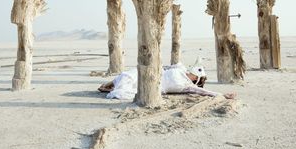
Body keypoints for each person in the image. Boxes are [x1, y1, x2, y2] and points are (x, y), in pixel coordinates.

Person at [98, 57, 236, 100]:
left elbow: (204, 92)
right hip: (154, 73)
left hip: (155, 84)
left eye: (197, 75)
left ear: (196, 79)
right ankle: (108, 85)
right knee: (129, 74)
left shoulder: (186, 85)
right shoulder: (181, 69)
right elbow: (169, 66)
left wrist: (222, 95)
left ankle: (112, 88)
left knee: (128, 89)